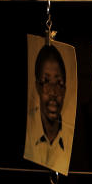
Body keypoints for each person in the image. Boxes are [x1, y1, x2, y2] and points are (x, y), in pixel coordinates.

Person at [25, 44, 71, 173]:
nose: (53, 92)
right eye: (45, 81)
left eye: (59, 83)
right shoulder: (27, 132)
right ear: (37, 87)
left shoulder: (71, 138)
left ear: (65, 89)